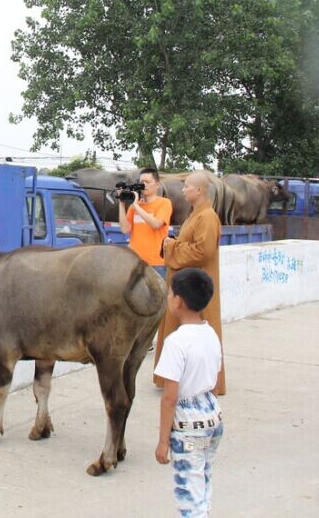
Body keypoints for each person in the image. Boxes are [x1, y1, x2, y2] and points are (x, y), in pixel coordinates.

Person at [154, 267, 224, 518]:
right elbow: (214, 381)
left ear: (178, 301)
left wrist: (163, 441)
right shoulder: (211, 333)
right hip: (212, 417)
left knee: (188, 496)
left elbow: (170, 398)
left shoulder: (176, 342)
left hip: (188, 426)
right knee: (203, 482)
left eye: (170, 293)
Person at [154, 171, 226, 395]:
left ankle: (204, 382)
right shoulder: (195, 214)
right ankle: (179, 378)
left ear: (200, 190)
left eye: (187, 186)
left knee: (200, 331)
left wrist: (171, 247)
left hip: (196, 285)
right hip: (186, 281)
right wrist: (175, 243)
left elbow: (203, 251)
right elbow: (192, 244)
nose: (183, 190)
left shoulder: (207, 217)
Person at [119, 167, 173, 279]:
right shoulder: (135, 206)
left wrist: (136, 206)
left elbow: (156, 224)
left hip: (156, 263)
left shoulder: (164, 203)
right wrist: (121, 203)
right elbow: (125, 229)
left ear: (157, 185)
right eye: (141, 182)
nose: (144, 185)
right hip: (135, 261)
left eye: (147, 182)